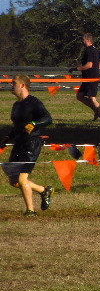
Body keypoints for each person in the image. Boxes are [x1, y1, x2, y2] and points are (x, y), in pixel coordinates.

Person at [1, 75, 54, 215]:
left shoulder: (34, 102)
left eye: (14, 83)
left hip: (31, 143)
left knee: (21, 178)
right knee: (13, 181)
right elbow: (17, 126)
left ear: (22, 85)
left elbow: (48, 119)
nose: (11, 85)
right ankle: (44, 190)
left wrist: (34, 124)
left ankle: (30, 210)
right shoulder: (16, 105)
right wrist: (8, 137)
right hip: (18, 143)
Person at [73, 33, 100, 122]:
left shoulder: (89, 50)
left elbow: (89, 65)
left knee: (92, 98)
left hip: (92, 78)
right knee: (80, 96)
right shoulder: (94, 50)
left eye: (83, 39)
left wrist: (77, 68)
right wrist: (96, 69)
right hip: (87, 78)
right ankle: (96, 111)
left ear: (87, 40)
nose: (82, 41)